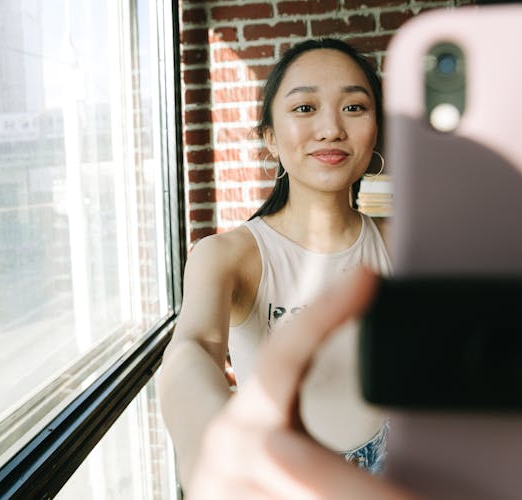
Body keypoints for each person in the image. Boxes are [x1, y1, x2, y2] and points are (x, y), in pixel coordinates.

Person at [157, 37, 393, 491]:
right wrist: (208, 447)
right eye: (305, 108)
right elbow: (192, 351)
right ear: (270, 138)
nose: (330, 129)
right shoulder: (228, 254)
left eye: (355, 108)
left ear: (375, 130)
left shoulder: (404, 242)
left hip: (396, 465)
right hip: (283, 477)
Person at [187, 268, 417, 499]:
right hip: (280, 473)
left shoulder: (401, 246)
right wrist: (216, 449)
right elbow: (191, 349)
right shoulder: (229, 254)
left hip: (385, 454)